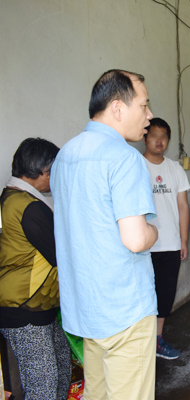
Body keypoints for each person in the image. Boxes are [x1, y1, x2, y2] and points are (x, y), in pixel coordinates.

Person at [51, 69, 159, 400]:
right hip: (125, 309)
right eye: (144, 105)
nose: (149, 116)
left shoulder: (64, 155)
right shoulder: (124, 158)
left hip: (86, 308)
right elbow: (136, 239)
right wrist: (154, 231)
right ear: (117, 108)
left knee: (96, 393)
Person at [0, 138, 71, 400]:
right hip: (24, 307)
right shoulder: (27, 206)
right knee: (43, 385)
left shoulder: (12, 198)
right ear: (44, 171)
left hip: (35, 305)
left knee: (60, 368)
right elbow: (60, 254)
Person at [142, 117, 190, 359]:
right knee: (142, 295)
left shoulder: (175, 169)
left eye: (163, 137)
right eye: (154, 135)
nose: (159, 141)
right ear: (145, 138)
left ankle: (157, 340)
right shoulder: (135, 165)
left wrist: (183, 241)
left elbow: (183, 206)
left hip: (170, 243)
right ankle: (142, 343)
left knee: (164, 294)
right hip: (141, 244)